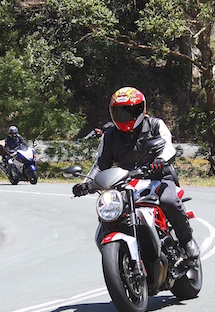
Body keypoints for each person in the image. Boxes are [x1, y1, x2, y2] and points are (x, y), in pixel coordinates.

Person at [72, 86, 199, 258]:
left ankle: (187, 241)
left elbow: (169, 147)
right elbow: (101, 164)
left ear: (141, 109)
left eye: (129, 111)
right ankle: (118, 256)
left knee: (169, 201)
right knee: (109, 213)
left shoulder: (155, 125)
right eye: (119, 112)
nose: (124, 117)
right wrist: (87, 183)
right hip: (125, 183)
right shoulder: (109, 135)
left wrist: (160, 161)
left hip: (158, 177)